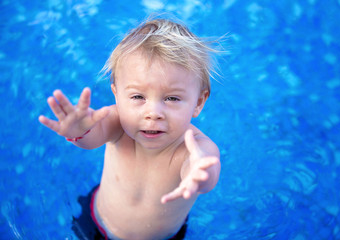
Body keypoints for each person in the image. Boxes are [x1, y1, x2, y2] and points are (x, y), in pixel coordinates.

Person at [39, 18, 221, 240]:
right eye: (137, 96)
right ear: (117, 94)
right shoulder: (116, 122)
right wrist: (78, 130)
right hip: (96, 223)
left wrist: (199, 176)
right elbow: (91, 138)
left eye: (172, 98)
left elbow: (205, 170)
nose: (153, 112)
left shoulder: (196, 148)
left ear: (199, 102)